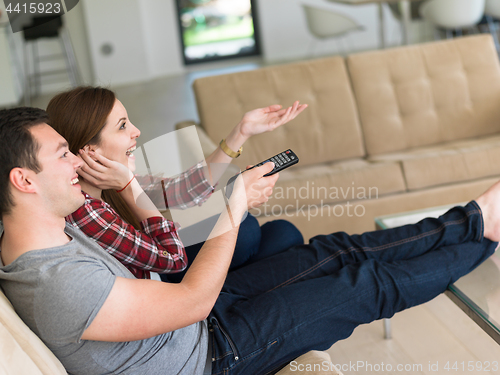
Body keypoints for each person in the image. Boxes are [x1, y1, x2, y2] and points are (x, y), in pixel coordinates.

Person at [0, 107, 499, 375]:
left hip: (202, 325)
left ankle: (473, 219)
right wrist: (233, 206)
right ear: (24, 181)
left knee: (332, 250)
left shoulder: (60, 223)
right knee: (363, 285)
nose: (76, 164)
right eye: (64, 154)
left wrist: (136, 182)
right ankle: (486, 235)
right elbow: (191, 299)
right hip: (214, 355)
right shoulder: (55, 281)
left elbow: (174, 200)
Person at [46, 87, 307, 280]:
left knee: (283, 233)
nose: (136, 131)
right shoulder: (88, 209)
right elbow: (173, 259)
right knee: (251, 230)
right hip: (163, 282)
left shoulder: (108, 185)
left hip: (164, 265)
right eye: (123, 126)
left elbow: (182, 190)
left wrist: (241, 132)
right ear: (89, 150)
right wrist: (128, 186)